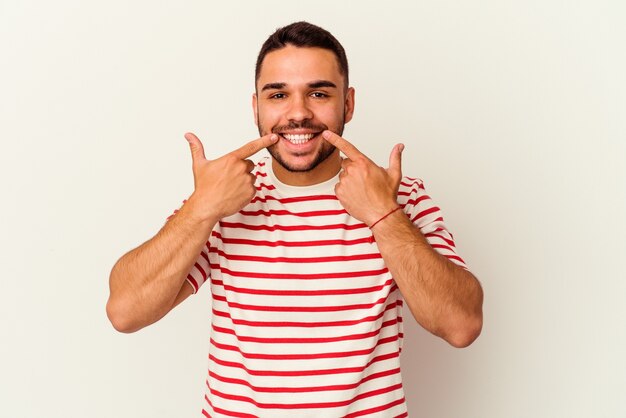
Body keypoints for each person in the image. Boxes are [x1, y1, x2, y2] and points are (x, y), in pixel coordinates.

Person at [107, 21, 483, 417]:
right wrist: (202, 208)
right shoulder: (221, 199)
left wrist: (382, 214)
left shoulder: (397, 195)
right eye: (278, 94)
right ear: (256, 107)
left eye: (318, 93)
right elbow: (125, 311)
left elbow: (461, 325)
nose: (298, 113)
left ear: (348, 104)